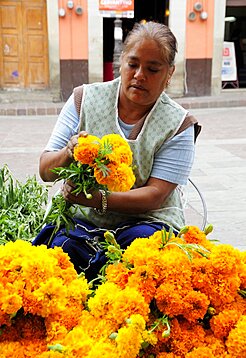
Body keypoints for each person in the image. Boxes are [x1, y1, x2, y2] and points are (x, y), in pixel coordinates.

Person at [33, 21, 200, 280]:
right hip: (83, 220)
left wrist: (97, 199)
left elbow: (155, 195)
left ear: (169, 74)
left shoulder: (178, 124)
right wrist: (71, 152)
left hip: (146, 221)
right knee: (59, 254)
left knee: (143, 260)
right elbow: (45, 171)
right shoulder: (83, 100)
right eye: (133, 65)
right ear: (121, 62)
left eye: (153, 69)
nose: (139, 75)